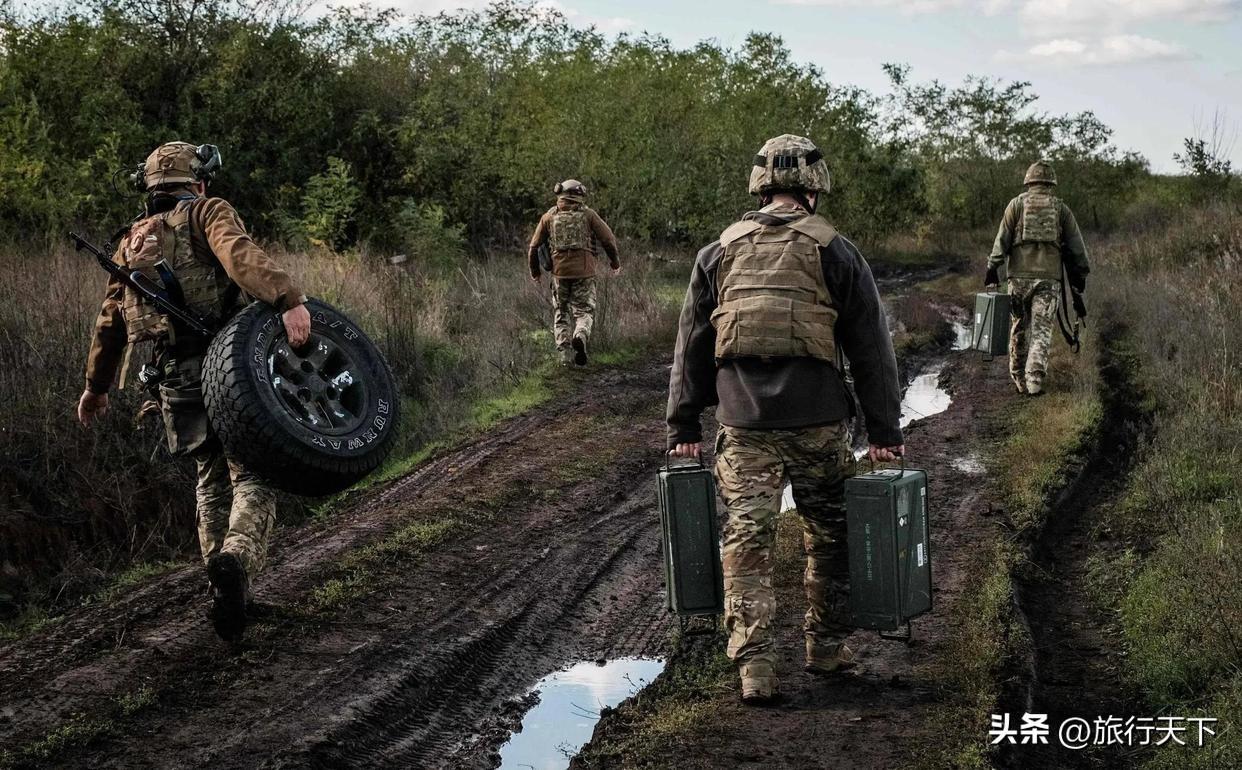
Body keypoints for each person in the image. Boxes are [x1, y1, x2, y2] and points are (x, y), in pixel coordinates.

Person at [666, 134, 905, 705]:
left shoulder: (717, 252)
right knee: (831, 538)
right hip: (819, 423)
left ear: (760, 187)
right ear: (813, 189)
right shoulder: (836, 250)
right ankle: (826, 649)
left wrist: (682, 426)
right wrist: (884, 432)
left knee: (747, 541)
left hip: (743, 425)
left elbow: (691, 344)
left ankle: (755, 669)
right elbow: (871, 348)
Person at [77, 141, 311, 643]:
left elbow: (110, 321)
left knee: (208, 480)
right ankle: (236, 562)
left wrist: (96, 387)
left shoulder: (130, 241)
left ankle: (224, 591)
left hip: (173, 376)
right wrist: (288, 298)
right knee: (253, 474)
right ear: (197, 181)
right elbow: (239, 256)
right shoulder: (207, 212)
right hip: (229, 366)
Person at [987, 160, 1090, 395]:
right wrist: (1081, 274)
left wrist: (992, 266)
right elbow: (1077, 247)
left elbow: (1002, 238)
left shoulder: (1016, 205)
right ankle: (1034, 380)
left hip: (1018, 279)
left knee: (1019, 326)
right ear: (1051, 183)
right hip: (1048, 280)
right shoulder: (1061, 209)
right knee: (1042, 329)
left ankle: (1018, 376)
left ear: (1029, 181)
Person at [527, 179, 621, 366]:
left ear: (560, 195)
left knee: (561, 313)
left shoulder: (549, 216)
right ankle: (580, 335)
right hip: (584, 273)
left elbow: (534, 247)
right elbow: (608, 240)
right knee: (584, 311)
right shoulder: (588, 215)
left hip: (559, 274)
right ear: (579, 195)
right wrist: (614, 262)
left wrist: (535, 272)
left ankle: (564, 355)